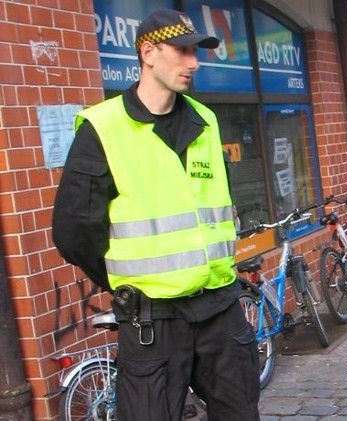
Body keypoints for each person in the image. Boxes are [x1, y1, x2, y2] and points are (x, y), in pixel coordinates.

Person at [52, 9, 259, 421]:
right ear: (148, 52)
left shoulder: (206, 121)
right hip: (153, 317)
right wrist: (128, 280)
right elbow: (74, 232)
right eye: (182, 51)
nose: (194, 62)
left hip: (219, 307)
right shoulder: (103, 127)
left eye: (196, 52)